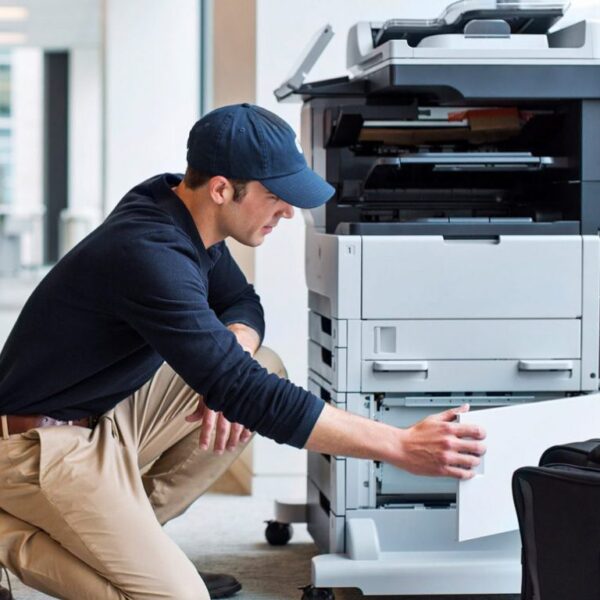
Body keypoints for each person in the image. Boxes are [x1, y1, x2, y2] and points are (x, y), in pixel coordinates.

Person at [0, 103, 486, 600]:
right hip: (36, 447)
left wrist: (232, 352)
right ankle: (12, 538)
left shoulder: (179, 206)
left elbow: (240, 302)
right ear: (221, 189)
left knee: (260, 362)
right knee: (178, 598)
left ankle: (127, 547)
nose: (288, 212)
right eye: (275, 196)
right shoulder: (148, 253)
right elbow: (251, 394)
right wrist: (399, 446)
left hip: (104, 415)